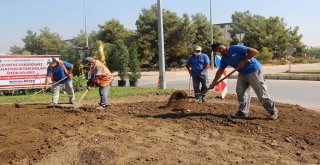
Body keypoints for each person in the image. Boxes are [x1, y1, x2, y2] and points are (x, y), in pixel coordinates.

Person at [209, 43, 278, 120]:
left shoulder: (236, 48)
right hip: (242, 73)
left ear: (220, 48)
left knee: (260, 92)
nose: (217, 53)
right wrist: (213, 83)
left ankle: (273, 111)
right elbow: (220, 71)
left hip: (253, 70)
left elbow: (254, 51)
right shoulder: (224, 59)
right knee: (240, 92)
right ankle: (243, 112)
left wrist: (243, 61)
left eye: (216, 51)